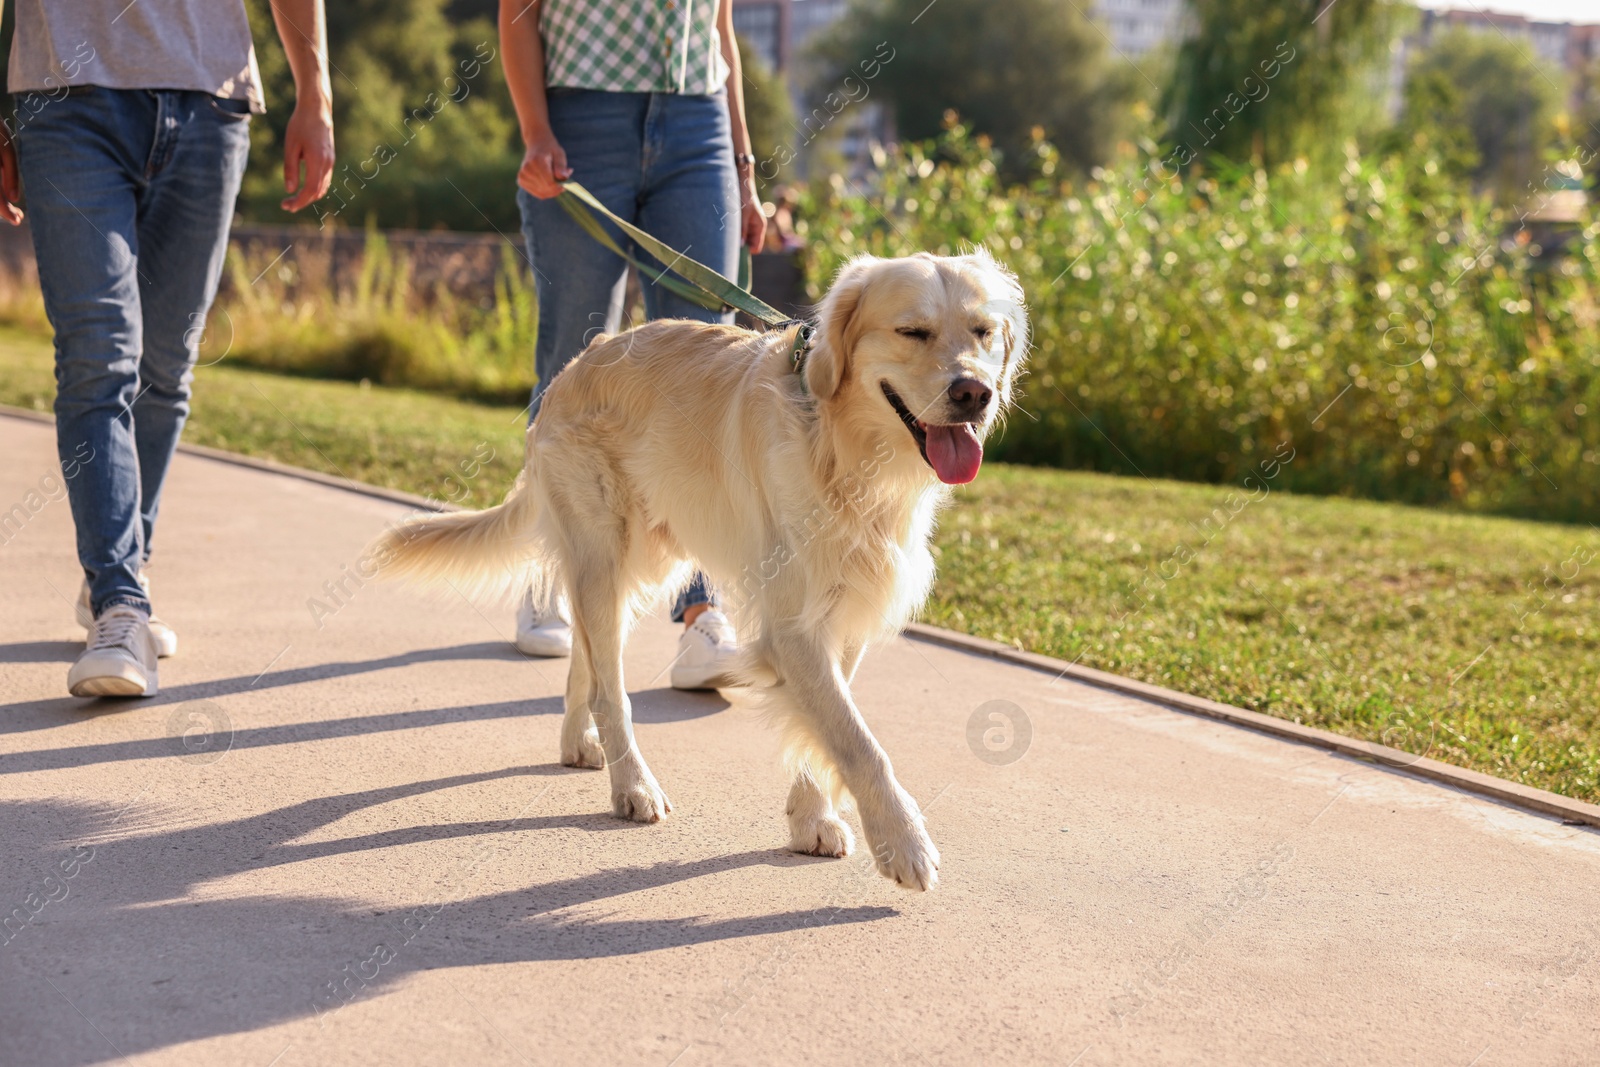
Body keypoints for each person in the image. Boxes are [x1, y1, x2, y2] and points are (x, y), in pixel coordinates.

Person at [0, 0, 336, 697]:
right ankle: (121, 603)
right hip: (65, 99)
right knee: (99, 355)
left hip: (210, 99)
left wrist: (316, 94)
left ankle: (120, 572)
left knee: (167, 365)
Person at [500, 0, 765, 689]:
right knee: (573, 354)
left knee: (711, 371)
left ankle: (701, 610)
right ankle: (554, 576)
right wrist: (535, 130)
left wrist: (743, 162)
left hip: (698, 119)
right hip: (581, 113)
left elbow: (721, 22)